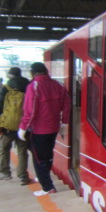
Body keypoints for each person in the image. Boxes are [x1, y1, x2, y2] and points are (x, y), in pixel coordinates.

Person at [18, 62, 70, 196]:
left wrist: (23, 127)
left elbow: (30, 111)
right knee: (48, 156)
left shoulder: (33, 86)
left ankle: (48, 187)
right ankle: (44, 177)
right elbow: (66, 105)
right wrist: (64, 123)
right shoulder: (58, 85)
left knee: (39, 159)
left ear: (33, 73)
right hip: (54, 128)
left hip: (39, 130)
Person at [0, 67, 30, 184]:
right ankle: (23, 176)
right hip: (24, 125)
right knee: (22, 151)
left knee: (4, 149)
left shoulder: (6, 87)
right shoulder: (28, 86)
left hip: (7, 125)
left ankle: (4, 172)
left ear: (10, 75)